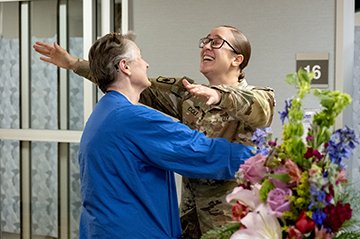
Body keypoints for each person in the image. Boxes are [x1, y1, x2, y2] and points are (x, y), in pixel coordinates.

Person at [33, 25, 276, 238]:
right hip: (193, 222)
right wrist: (75, 64)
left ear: (237, 59)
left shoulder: (259, 97)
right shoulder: (189, 94)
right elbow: (124, 78)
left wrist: (221, 95)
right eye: (204, 41)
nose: (205, 47)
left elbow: (260, 110)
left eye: (216, 42)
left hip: (232, 219)